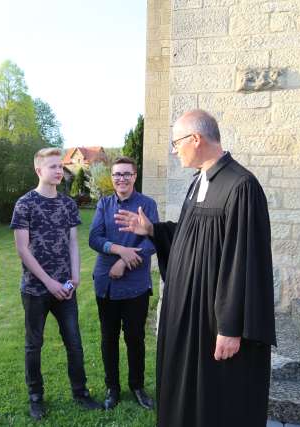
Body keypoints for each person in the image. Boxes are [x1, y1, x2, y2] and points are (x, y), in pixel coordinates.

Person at [115, 110, 276, 427]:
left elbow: (244, 260)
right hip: (188, 318)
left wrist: (231, 327)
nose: (174, 151)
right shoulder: (199, 181)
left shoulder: (240, 186)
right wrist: (154, 230)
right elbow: (194, 237)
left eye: (177, 143)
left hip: (213, 323)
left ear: (196, 139)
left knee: (216, 401)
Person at [10, 147, 102, 421]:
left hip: (66, 289)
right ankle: (36, 397)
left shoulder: (67, 204)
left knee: (74, 342)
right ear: (39, 170)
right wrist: (49, 283)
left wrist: (75, 275)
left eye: (60, 166)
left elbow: (74, 241)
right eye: (52, 166)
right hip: (36, 289)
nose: (59, 170)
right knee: (33, 344)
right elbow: (23, 250)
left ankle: (80, 392)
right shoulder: (24, 204)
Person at [88, 156, 159, 411]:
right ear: (112, 177)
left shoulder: (147, 205)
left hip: (136, 285)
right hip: (106, 284)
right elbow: (94, 238)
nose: (121, 179)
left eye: (126, 174)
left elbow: (152, 242)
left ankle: (137, 386)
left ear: (135, 176)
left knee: (135, 337)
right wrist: (119, 250)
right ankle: (112, 388)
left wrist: (126, 261)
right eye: (117, 174)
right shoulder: (104, 204)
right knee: (108, 338)